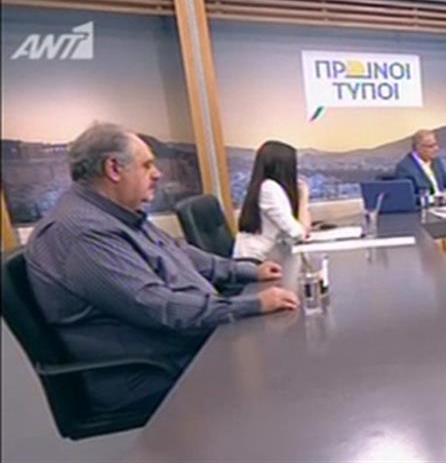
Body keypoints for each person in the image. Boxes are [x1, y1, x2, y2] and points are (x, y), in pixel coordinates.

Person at [23, 123, 299, 416]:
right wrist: (251, 304)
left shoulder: (116, 216)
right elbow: (159, 307)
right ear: (114, 169)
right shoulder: (82, 233)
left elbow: (179, 254)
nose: (157, 174)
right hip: (152, 371)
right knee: (283, 379)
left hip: (183, 347)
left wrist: (247, 272)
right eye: (147, 165)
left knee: (284, 354)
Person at [233, 140, 312, 261]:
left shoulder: (270, 187)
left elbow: (299, 231)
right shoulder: (269, 189)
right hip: (254, 261)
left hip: (268, 256)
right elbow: (299, 233)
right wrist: (304, 196)